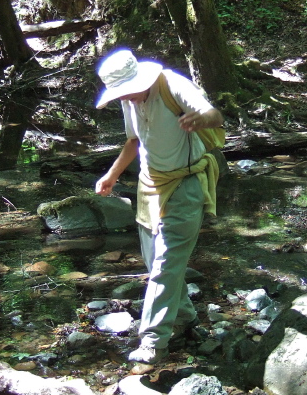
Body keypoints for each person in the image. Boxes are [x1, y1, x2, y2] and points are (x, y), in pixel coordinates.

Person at [94, 49, 224, 364]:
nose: (125, 98)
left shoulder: (172, 85)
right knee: (156, 265)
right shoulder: (130, 99)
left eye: (127, 91)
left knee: (165, 265)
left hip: (185, 186)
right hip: (148, 187)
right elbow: (133, 141)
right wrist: (111, 175)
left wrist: (199, 118)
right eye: (120, 94)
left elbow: (215, 116)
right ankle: (184, 317)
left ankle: (153, 343)